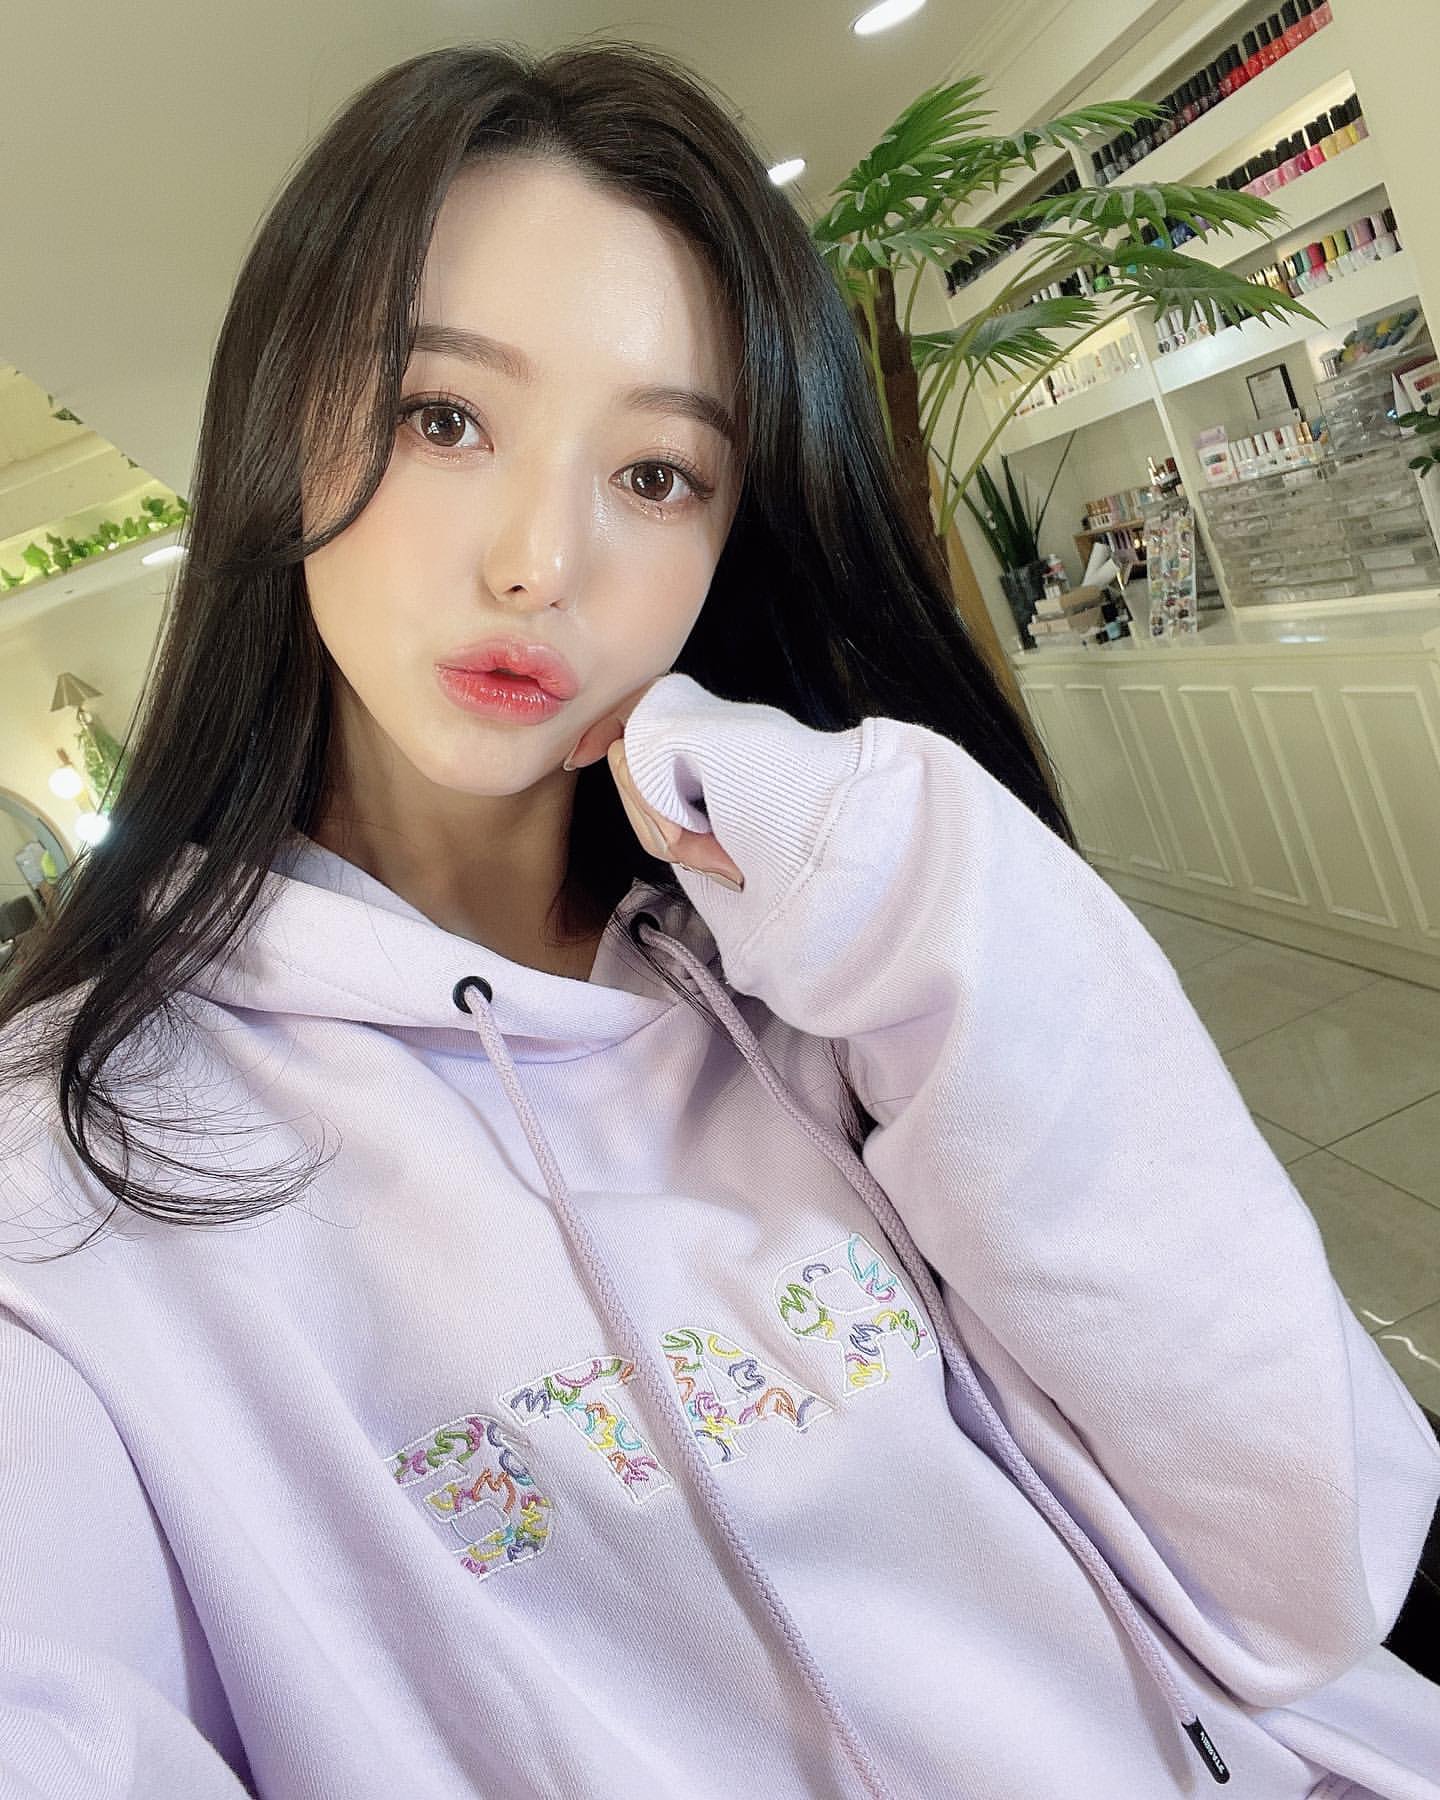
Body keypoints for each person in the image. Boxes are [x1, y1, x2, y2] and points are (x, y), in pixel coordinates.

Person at [0, 37, 1437, 1800]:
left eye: (658, 474)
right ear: (278, 431)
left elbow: (1307, 1565)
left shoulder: (822, 968)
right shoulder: (66, 1173)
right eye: (442, 418)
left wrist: (917, 879)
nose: (541, 562)